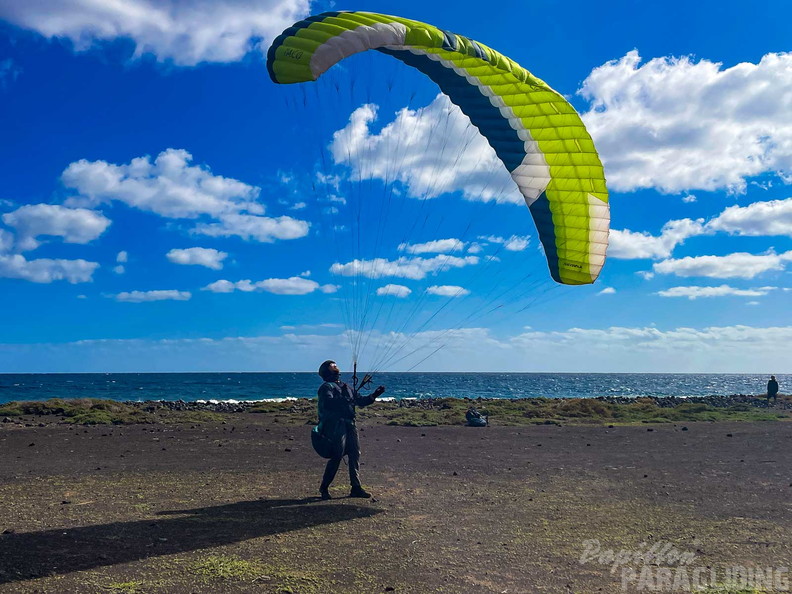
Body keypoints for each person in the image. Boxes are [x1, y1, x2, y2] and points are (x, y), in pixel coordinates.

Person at [317, 360, 385, 500]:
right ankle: (324, 487)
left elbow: (360, 401)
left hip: (350, 425)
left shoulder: (346, 387)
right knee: (337, 455)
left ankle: (356, 487)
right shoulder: (326, 387)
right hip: (337, 426)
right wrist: (345, 400)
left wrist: (374, 395)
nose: (336, 366)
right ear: (327, 371)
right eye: (333, 366)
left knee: (355, 454)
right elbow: (328, 403)